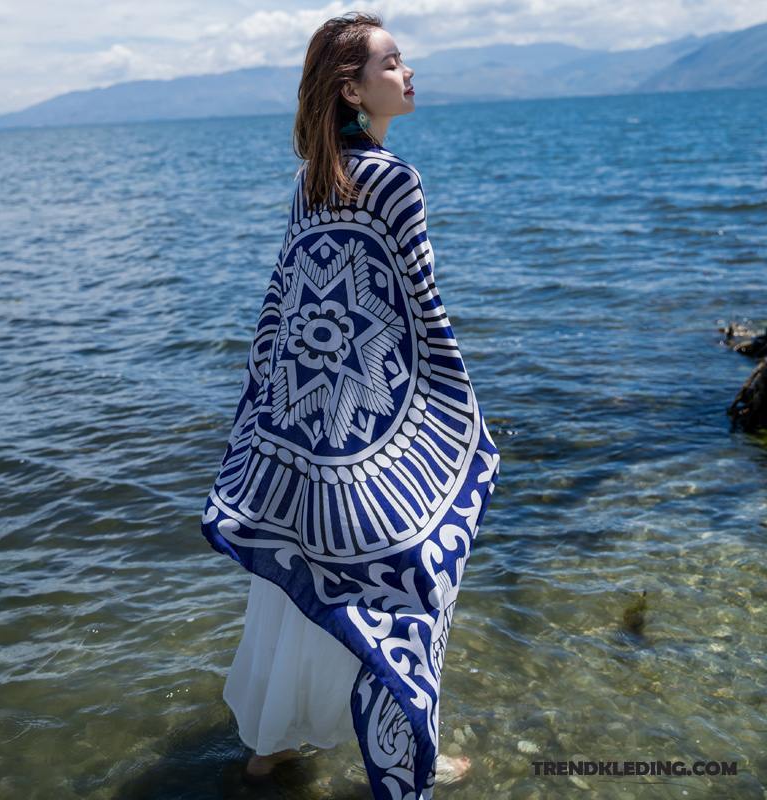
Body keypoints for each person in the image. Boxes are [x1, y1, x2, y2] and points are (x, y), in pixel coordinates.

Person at [200, 11, 502, 799]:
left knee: (298, 588)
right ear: (352, 87)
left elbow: (288, 314)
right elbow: (417, 313)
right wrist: (455, 417)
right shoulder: (395, 180)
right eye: (393, 63)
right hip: (369, 437)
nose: (409, 74)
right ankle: (410, 752)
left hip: (307, 433)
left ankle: (268, 752)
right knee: (404, 585)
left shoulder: (311, 183)